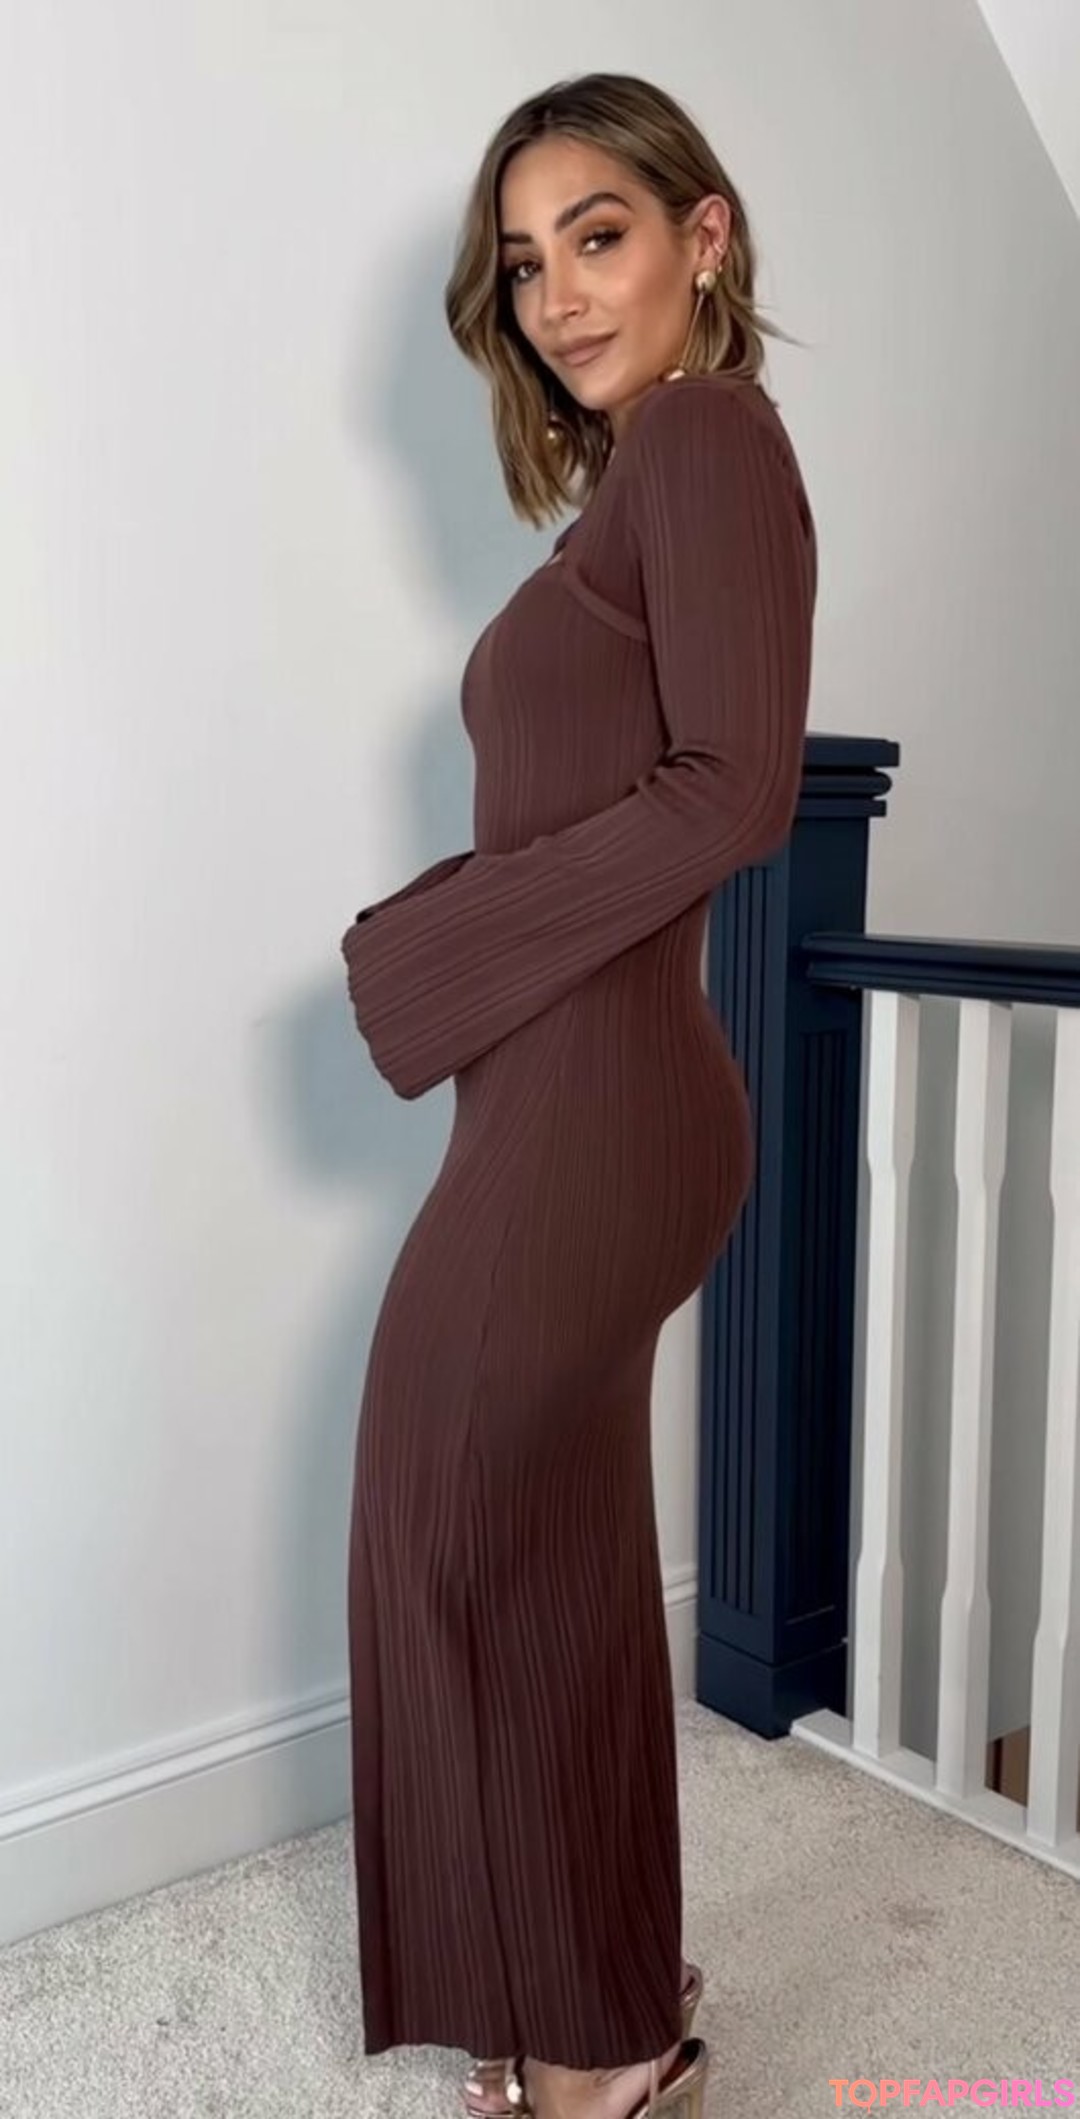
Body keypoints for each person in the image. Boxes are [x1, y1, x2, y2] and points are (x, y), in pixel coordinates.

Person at [339, 69, 817, 2119]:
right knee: (538, 1558)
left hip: (606, 1102)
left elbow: (738, 790)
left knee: (451, 1512)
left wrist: (430, 945)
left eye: (597, 236)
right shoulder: (637, 490)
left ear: (705, 234)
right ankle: (616, 1992)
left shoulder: (705, 438)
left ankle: (607, 2042)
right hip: (566, 1095)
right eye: (526, 265)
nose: (557, 295)